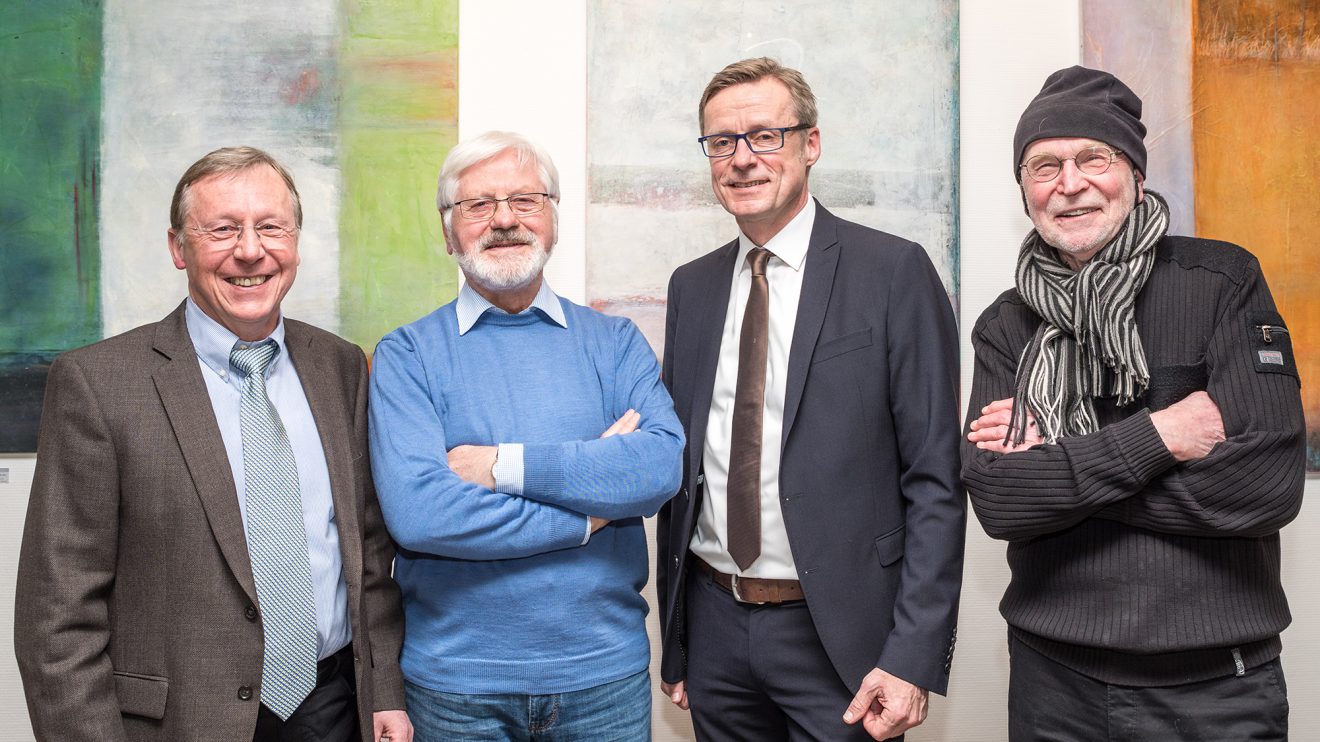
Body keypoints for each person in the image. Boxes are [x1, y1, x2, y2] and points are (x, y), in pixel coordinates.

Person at [15, 146, 411, 742]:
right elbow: (57, 616)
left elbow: (369, 555)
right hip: (179, 722)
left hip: (332, 708)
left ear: (296, 242)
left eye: (271, 227)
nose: (250, 251)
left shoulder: (341, 367)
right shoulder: (98, 383)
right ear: (178, 248)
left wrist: (383, 692)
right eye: (222, 229)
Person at [963, 66, 1305, 740]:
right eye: (1044, 165)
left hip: (1217, 690)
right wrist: (1164, 437)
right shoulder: (1006, 325)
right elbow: (1000, 502)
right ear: (1026, 190)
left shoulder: (1222, 283)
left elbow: (1266, 486)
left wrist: (1061, 466)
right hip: (1052, 684)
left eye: (1095, 158)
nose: (1070, 182)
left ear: (1137, 177)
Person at [657, 58, 965, 741]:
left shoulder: (894, 273)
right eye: (721, 142)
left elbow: (936, 480)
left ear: (810, 144)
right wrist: (678, 640)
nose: (741, 159)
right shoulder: (693, 288)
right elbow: (686, 476)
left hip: (842, 641)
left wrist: (911, 656)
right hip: (714, 628)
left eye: (765, 136)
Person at [367, 130, 684, 741]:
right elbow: (422, 514)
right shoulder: (407, 354)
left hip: (604, 682)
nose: (504, 220)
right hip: (456, 690)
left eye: (526, 200)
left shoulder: (615, 343)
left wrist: (499, 467)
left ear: (554, 220)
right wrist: (584, 513)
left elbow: (656, 469)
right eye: (478, 205)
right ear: (447, 230)